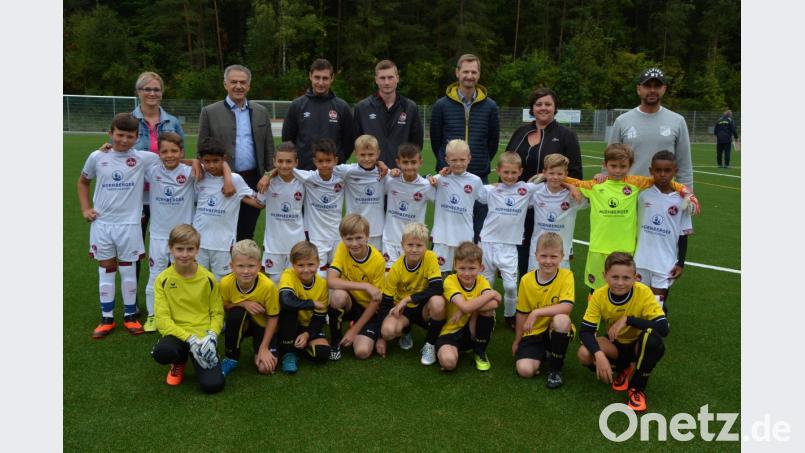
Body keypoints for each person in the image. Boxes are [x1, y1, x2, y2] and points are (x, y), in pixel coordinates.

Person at [560, 144, 695, 291]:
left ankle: (620, 314)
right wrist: (551, 177)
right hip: (598, 248)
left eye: (623, 166)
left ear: (630, 165)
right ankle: (596, 314)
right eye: (613, 166)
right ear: (605, 165)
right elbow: (572, 181)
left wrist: (686, 192)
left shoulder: (635, 183)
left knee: (622, 287)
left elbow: (662, 180)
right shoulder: (595, 186)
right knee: (597, 289)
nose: (618, 170)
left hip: (625, 248)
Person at [78, 113, 162, 339]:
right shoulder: (97, 156)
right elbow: (83, 182)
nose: (124, 140)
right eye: (120, 135)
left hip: (130, 225)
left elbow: (172, 158)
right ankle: (106, 319)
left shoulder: (143, 158)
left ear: (137, 137)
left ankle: (130, 316)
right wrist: (86, 209)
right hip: (102, 224)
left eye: (130, 136)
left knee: (127, 270)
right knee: (106, 268)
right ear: (110, 133)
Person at [505, 87, 583, 277]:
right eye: (538, 104)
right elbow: (507, 161)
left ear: (555, 107)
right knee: (522, 249)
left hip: (549, 205)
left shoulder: (566, 135)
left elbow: (575, 173)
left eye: (548, 104)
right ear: (532, 108)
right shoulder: (521, 132)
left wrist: (559, 184)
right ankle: (524, 292)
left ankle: (551, 294)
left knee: (547, 251)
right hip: (520, 203)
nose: (543, 108)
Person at [577, 252, 669, 412]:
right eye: (615, 277)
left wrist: (628, 319)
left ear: (635, 277)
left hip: (637, 347)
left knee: (652, 340)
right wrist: (598, 355)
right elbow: (585, 331)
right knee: (584, 353)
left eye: (626, 278)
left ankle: (636, 388)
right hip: (616, 345)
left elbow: (663, 328)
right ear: (605, 276)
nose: (620, 283)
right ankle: (624, 368)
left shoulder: (644, 292)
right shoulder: (599, 295)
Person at [198, 64, 275, 241]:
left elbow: (269, 147)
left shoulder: (261, 112)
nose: (238, 86)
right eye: (234, 82)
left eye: (243, 82)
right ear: (225, 84)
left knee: (246, 232)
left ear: (249, 86)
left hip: (253, 180)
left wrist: (268, 175)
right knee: (221, 232)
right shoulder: (210, 112)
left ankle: (243, 268)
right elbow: (201, 149)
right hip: (221, 182)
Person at [131, 72, 187, 309]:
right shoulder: (129, 119)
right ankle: (133, 303)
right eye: (147, 89)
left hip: (166, 195)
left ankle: (169, 300)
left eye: (156, 89)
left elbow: (181, 152)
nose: (152, 94)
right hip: (134, 196)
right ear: (139, 92)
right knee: (135, 249)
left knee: (170, 246)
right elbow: (120, 147)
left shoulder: (172, 121)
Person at [430, 54, 500, 242]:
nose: (469, 76)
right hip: (448, 176)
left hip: (478, 175)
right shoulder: (441, 105)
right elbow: (436, 140)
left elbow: (492, 141)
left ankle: (472, 271)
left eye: (473, 72)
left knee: (478, 231)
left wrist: (479, 161)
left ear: (479, 74)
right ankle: (445, 269)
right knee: (448, 230)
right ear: (457, 73)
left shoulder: (490, 106)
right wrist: (447, 163)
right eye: (465, 71)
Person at [151, 224, 225, 393]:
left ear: (197, 250)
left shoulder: (208, 278)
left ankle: (211, 352)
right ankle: (179, 361)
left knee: (213, 386)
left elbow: (217, 312)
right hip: (179, 335)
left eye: (190, 249)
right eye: (179, 249)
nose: (184, 254)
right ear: (171, 249)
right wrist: (189, 339)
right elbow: (162, 320)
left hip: (203, 337)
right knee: (162, 352)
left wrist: (212, 335)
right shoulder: (162, 279)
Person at [476, 152, 540, 329]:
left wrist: (568, 184)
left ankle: (510, 315)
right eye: (506, 172)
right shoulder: (490, 190)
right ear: (498, 171)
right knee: (486, 283)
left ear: (520, 171)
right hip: (487, 243)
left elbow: (549, 179)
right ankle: (486, 313)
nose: (510, 176)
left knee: (511, 286)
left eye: (514, 172)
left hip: (510, 246)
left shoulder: (527, 189)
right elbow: (469, 189)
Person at [142, 132, 196, 333]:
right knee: (155, 275)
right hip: (158, 235)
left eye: (174, 151)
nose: (169, 155)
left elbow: (213, 166)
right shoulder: (152, 170)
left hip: (183, 236)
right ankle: (152, 315)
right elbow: (128, 156)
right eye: (164, 151)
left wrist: (195, 161)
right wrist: (109, 149)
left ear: (182, 152)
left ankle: (178, 313)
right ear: (158, 153)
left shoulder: (190, 171)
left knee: (181, 276)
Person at [192, 137, 263, 281]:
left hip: (223, 243)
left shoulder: (235, 179)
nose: (211, 165)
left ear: (223, 159)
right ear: (201, 160)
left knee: (222, 283)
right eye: (207, 161)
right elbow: (176, 161)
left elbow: (259, 203)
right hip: (198, 241)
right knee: (198, 280)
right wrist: (194, 162)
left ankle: (219, 305)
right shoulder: (200, 176)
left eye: (216, 161)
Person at [608, 67, 693, 188]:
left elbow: (684, 164)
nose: (652, 90)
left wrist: (687, 194)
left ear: (664, 89)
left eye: (657, 86)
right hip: (628, 194)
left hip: (664, 195)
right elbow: (610, 159)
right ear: (639, 89)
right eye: (647, 86)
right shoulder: (622, 121)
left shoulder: (677, 121)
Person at [512, 233, 575, 389]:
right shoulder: (526, 280)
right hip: (534, 331)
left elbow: (567, 306)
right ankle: (545, 353)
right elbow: (521, 313)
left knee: (562, 320)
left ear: (562, 257)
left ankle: (555, 370)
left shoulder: (566, 276)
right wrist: (517, 340)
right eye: (543, 256)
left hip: (555, 329)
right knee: (524, 370)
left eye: (553, 256)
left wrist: (537, 312)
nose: (548, 261)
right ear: (536, 255)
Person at [634, 151, 694, 314]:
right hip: (639, 259)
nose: (662, 174)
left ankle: (654, 330)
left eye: (667, 170)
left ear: (675, 171)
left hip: (665, 261)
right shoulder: (641, 194)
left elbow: (683, 234)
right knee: (638, 304)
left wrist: (680, 263)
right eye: (658, 170)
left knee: (655, 307)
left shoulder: (683, 201)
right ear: (650, 171)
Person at [380, 223, 445, 365]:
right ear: (402, 245)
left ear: (426, 245)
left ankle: (430, 344)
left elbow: (437, 288)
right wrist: (381, 338)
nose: (414, 250)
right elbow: (386, 301)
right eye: (410, 245)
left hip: (423, 307)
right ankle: (406, 331)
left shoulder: (430, 257)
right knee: (387, 331)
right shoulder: (396, 268)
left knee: (438, 302)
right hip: (404, 311)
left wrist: (408, 299)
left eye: (419, 245)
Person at [327, 214, 387, 361]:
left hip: (369, 309)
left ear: (367, 237)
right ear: (342, 239)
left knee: (362, 352)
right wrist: (365, 286)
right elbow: (331, 281)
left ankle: (355, 325)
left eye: (359, 238)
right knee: (338, 295)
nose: (354, 244)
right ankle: (335, 342)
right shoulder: (342, 248)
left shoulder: (378, 260)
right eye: (349, 239)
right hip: (351, 303)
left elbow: (376, 301)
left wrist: (354, 331)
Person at [436, 241, 500, 371]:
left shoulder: (482, 281)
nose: (467, 273)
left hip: (471, 329)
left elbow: (495, 303)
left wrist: (471, 310)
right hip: (450, 331)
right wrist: (493, 293)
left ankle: (479, 351)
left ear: (480, 268)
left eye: (472, 268)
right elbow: (466, 307)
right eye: (462, 268)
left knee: (488, 310)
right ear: (455, 266)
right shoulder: (450, 281)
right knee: (449, 363)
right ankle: (451, 350)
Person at [219, 240, 280, 377]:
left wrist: (264, 347)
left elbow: (273, 316)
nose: (246, 271)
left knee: (265, 368)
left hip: (262, 324)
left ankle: (269, 345)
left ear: (259, 266)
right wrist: (243, 303)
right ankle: (231, 357)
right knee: (236, 314)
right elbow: (224, 306)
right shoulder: (225, 283)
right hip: (243, 322)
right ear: (232, 266)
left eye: (251, 266)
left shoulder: (268, 287)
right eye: (240, 266)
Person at [282, 58, 355, 170]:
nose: (320, 83)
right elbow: (288, 140)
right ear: (310, 76)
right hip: (304, 172)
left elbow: (349, 142)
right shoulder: (297, 105)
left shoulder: (342, 107)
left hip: (334, 173)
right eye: (317, 77)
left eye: (325, 78)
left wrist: (339, 160)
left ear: (332, 78)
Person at [430, 139, 486, 274]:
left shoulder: (475, 181)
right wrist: (429, 177)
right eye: (454, 160)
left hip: (464, 237)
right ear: (446, 160)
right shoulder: (440, 179)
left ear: (469, 159)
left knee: (463, 275)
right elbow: (423, 182)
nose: (458, 164)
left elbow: (486, 198)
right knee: (440, 275)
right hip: (441, 238)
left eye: (462, 159)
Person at [354, 60, 424, 168]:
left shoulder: (410, 107)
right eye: (382, 78)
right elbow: (356, 143)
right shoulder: (362, 108)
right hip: (371, 174)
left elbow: (416, 145)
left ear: (397, 78)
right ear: (376, 80)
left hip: (400, 175)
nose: (386, 82)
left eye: (390, 77)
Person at [254, 142, 306, 284]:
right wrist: (268, 175)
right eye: (280, 161)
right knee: (275, 283)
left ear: (296, 162)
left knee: (296, 283)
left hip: (297, 243)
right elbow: (259, 203)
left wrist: (268, 173)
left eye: (289, 161)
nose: (284, 165)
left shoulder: (303, 182)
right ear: (274, 162)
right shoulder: (267, 183)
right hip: (273, 246)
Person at [276, 241, 331, 374]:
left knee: (323, 354)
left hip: (308, 326)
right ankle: (289, 352)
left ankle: (295, 346)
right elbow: (285, 300)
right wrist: (311, 303)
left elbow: (320, 317)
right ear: (293, 265)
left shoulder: (322, 285)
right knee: (289, 309)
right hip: (288, 324)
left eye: (310, 264)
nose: (306, 269)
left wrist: (307, 334)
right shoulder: (288, 275)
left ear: (318, 262)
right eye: (300, 265)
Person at [527, 154, 587, 273]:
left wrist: (571, 186)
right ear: (544, 173)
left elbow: (596, 193)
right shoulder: (536, 191)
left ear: (566, 174)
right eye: (551, 173)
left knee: (561, 287)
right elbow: (515, 190)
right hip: (537, 251)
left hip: (562, 252)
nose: (555, 177)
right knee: (534, 285)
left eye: (560, 174)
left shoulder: (574, 195)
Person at [382, 143, 435, 269]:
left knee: (411, 281)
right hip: (391, 239)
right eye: (405, 162)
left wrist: (433, 177)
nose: (409, 167)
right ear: (398, 162)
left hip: (414, 243)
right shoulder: (390, 180)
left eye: (413, 162)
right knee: (389, 278)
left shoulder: (427, 186)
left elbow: (442, 204)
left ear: (420, 163)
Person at [336, 135, 387, 251]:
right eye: (362, 155)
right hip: (353, 230)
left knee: (374, 262)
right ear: (355, 153)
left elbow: (401, 176)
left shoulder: (384, 173)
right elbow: (326, 169)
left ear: (378, 153)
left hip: (376, 229)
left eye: (371, 155)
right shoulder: (347, 171)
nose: (367, 158)